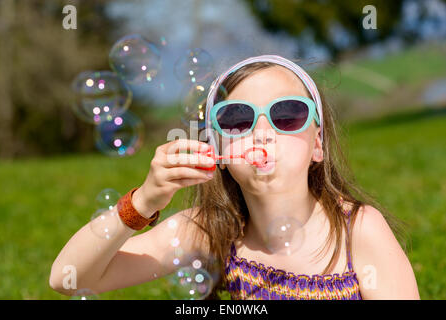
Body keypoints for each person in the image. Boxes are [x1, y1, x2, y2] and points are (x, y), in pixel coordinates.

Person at [49, 55, 420, 300]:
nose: (262, 132)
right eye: (238, 119)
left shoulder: (357, 230)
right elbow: (70, 277)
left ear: (317, 144)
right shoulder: (211, 232)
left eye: (287, 114)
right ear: (218, 151)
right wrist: (143, 201)